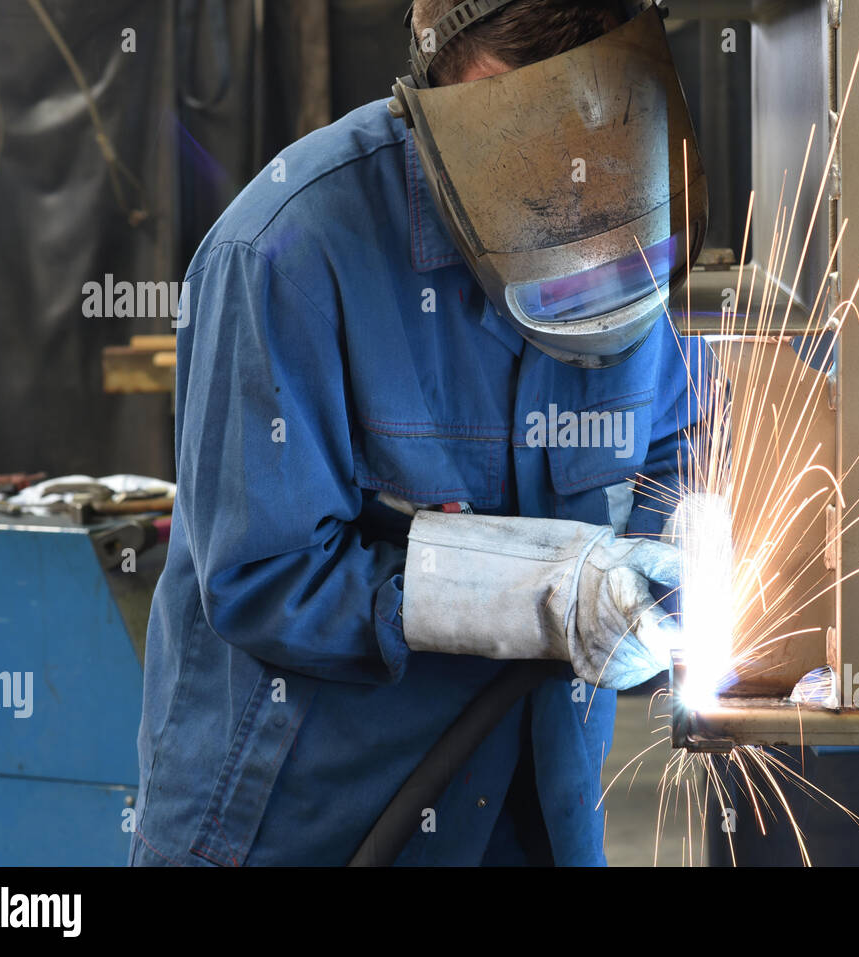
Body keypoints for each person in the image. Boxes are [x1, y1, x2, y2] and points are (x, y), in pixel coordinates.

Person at [131, 0, 711, 867]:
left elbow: (670, 439)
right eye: (531, 113)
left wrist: (685, 540)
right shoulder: (284, 251)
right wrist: (546, 595)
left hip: (537, 820)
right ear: (450, 77)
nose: (577, 154)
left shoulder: (628, 217)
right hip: (309, 824)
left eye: (597, 101)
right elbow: (263, 575)